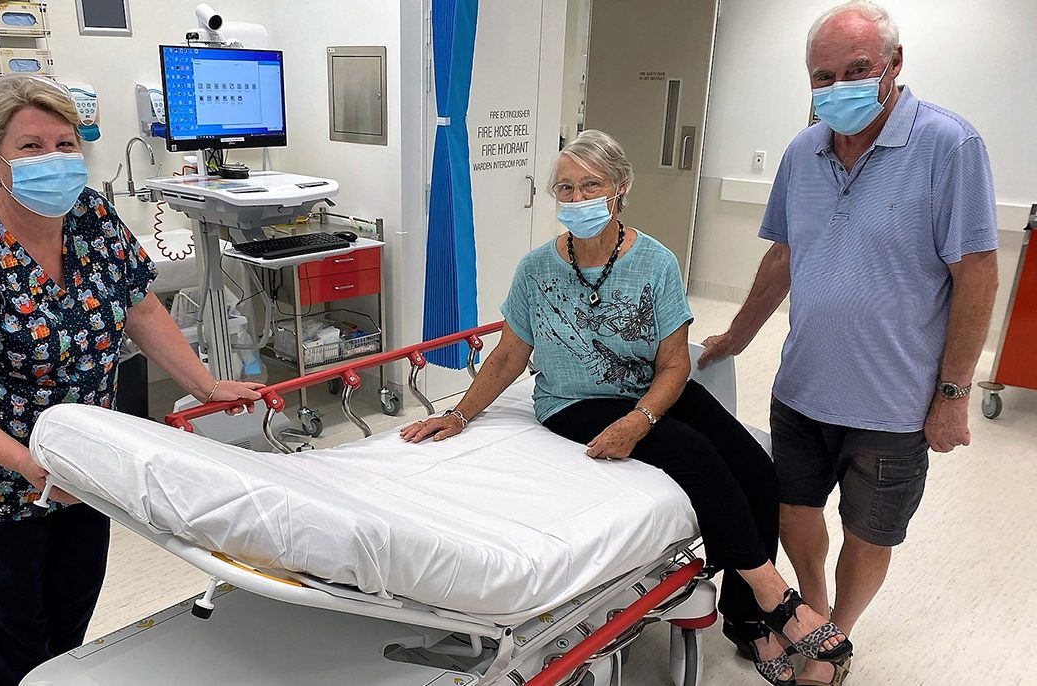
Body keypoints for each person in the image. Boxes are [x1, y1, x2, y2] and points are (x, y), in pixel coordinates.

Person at [402, 129, 853, 686]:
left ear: (619, 188)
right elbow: (507, 358)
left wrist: (642, 418)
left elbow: (674, 366)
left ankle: (745, 618)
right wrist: (459, 414)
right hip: (576, 401)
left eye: (590, 185)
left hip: (652, 389)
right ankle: (772, 596)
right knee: (690, 451)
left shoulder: (656, 263)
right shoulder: (536, 270)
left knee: (757, 468)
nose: (576, 199)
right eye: (564, 188)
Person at [0, 74, 263, 686]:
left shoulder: (90, 216)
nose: (55, 160)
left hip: (86, 467)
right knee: (11, 645)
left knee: (70, 631)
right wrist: (35, 468)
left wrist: (204, 384)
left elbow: (139, 305)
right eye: (32, 146)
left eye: (65, 144)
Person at [697, 3, 999, 684]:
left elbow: (976, 271)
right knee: (795, 511)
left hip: (893, 401)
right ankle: (815, 620)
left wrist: (952, 394)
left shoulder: (949, 145)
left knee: (869, 533)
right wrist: (736, 337)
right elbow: (782, 256)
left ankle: (835, 639)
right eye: (823, 76)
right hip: (803, 385)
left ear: (894, 63)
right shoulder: (803, 152)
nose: (839, 87)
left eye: (857, 69)